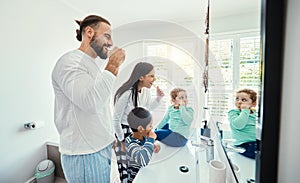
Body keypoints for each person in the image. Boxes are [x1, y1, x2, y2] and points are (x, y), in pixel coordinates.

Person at [51, 15, 125, 183]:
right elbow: (90, 102)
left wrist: (107, 137)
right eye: (107, 35)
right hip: (84, 154)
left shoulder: (90, 65)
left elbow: (100, 107)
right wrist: (113, 66)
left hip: (98, 148)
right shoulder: (69, 62)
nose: (111, 42)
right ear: (89, 32)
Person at [113, 62, 164, 183]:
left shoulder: (145, 91)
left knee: (136, 167)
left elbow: (147, 108)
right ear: (141, 77)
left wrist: (158, 98)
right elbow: (116, 120)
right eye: (151, 76)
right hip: (124, 131)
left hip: (137, 131)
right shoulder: (127, 93)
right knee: (126, 168)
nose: (154, 78)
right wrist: (122, 141)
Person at [126, 107, 161, 183]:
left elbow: (145, 145)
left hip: (144, 173)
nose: (152, 128)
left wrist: (153, 144)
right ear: (141, 129)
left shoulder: (143, 136)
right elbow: (143, 160)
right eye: (150, 125)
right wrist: (151, 140)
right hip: (135, 178)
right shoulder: (130, 144)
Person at [228, 88, 258, 159]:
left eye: (243, 100)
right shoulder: (233, 112)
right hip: (244, 145)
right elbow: (238, 125)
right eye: (237, 99)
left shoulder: (255, 113)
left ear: (253, 103)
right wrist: (245, 110)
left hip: (256, 142)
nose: (239, 101)